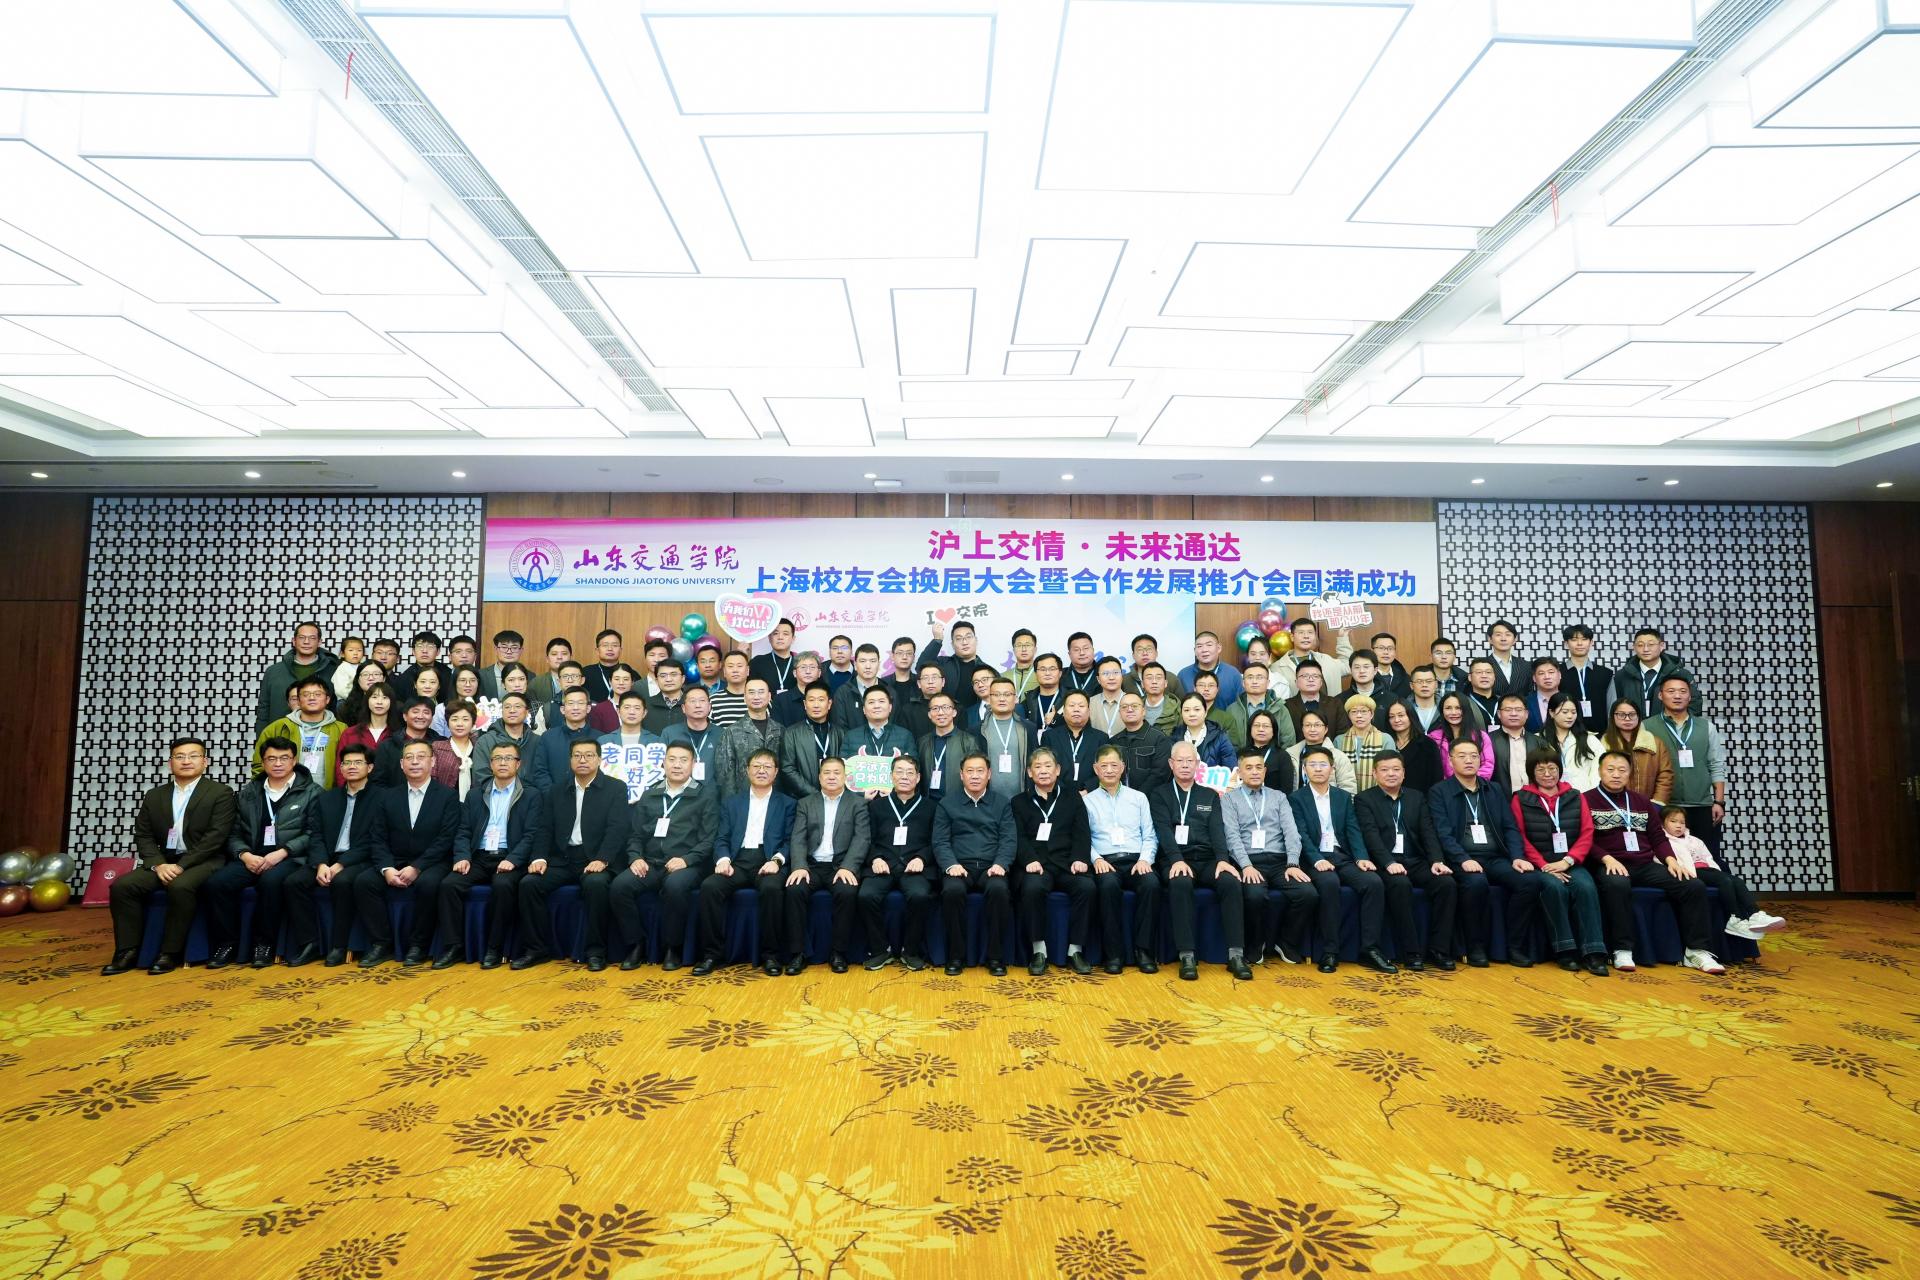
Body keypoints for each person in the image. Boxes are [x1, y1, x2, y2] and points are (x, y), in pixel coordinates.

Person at [103, 737, 238, 975]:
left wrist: (182, 865)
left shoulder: (220, 793)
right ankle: (127, 951)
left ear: (205, 762)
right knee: (123, 887)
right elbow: (143, 835)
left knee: (180, 885)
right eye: (180, 756)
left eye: (193, 756)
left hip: (205, 860)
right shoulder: (155, 795)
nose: (186, 761)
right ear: (170, 763)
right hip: (165, 861)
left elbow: (215, 837)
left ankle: (170, 952)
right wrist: (158, 864)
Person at [1587, 750, 1723, 974]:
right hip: (1609, 863)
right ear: (1600, 771)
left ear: (1630, 773)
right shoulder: (1586, 800)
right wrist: (1606, 858)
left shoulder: (1641, 801)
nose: (1616, 774)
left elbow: (1657, 837)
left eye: (1622, 770)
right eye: (1610, 769)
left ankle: (1696, 951)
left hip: (1644, 864)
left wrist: (1671, 861)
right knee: (1617, 885)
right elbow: (1584, 839)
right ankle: (1622, 949)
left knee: (1692, 885)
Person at [202, 736, 317, 970]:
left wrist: (283, 852)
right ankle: (226, 944)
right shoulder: (249, 792)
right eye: (271, 759)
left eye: (284, 758)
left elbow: (313, 833)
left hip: (290, 858)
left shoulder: (311, 792)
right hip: (252, 856)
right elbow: (233, 833)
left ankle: (263, 944)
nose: (278, 763)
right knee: (216, 884)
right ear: (263, 762)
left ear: (294, 760)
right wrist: (244, 855)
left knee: (270, 882)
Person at [433, 739, 547, 970]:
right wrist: (462, 856)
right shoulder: (475, 795)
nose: (503, 763)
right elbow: (463, 831)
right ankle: (454, 946)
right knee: (449, 884)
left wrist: (513, 860)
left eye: (508, 758)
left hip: (510, 856)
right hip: (479, 856)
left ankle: (494, 948)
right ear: (490, 764)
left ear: (518, 764)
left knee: (503, 885)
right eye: (498, 759)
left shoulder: (531, 795)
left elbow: (531, 834)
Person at [606, 742, 718, 971]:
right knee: (619, 886)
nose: (677, 765)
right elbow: (635, 835)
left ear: (693, 764)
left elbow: (709, 840)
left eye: (683, 760)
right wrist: (635, 857)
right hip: (650, 862)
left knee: (675, 886)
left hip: (688, 864)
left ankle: (672, 948)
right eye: (672, 759)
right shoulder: (650, 794)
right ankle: (636, 944)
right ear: (663, 763)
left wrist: (687, 860)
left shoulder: (705, 795)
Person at [516, 739, 627, 971]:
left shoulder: (615, 788)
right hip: (563, 859)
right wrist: (539, 858)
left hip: (595, 859)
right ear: (570, 760)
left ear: (599, 759)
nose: (582, 760)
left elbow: (617, 828)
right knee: (529, 884)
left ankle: (596, 951)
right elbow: (544, 828)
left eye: (589, 755)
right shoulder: (556, 790)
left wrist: (602, 859)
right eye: (577, 755)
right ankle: (536, 949)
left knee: (596, 884)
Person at [1430, 738, 1539, 968]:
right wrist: (1463, 859)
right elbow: (1443, 833)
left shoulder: (1494, 789)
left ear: (1481, 759)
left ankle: (1514, 946)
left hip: (1495, 857)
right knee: (1476, 883)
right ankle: (1475, 946)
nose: (1469, 760)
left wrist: (1517, 857)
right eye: (1462, 756)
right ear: (1450, 760)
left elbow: (1510, 827)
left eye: (1474, 756)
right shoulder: (1439, 791)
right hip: (1462, 858)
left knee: (1529, 881)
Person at [1288, 745, 1395, 973]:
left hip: (1341, 856)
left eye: (1323, 764)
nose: (1318, 769)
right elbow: (1300, 834)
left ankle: (1370, 949)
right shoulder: (1296, 799)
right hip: (1314, 858)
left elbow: (1353, 829)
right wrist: (1316, 859)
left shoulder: (1343, 797)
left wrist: (1361, 857)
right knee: (1329, 883)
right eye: (1312, 765)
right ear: (1305, 770)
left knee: (1373, 882)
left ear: (1332, 768)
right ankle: (1330, 951)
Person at [1151, 741, 1252, 980]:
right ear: (1171, 764)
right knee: (1180, 882)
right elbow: (1163, 831)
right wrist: (1176, 859)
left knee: (1230, 881)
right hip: (1175, 858)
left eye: (1190, 761)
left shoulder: (1209, 795)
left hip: (1207, 859)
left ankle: (1236, 955)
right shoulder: (1159, 794)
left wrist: (1223, 859)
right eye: (1180, 761)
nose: (1185, 765)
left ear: (1197, 764)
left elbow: (1217, 830)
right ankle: (1187, 955)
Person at [356, 739, 459, 967]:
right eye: (409, 758)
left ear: (433, 762)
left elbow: (446, 838)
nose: (415, 762)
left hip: (432, 861)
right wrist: (386, 868)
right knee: (364, 882)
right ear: (401, 764)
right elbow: (378, 837)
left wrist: (417, 867)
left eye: (421, 757)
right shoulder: (387, 797)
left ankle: (418, 945)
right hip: (395, 859)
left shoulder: (448, 796)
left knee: (428, 884)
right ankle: (381, 944)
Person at [1512, 748, 1609, 977]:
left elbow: (1587, 832)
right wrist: (1544, 865)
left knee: (1586, 887)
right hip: (1540, 864)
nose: (1547, 774)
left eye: (1552, 768)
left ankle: (1594, 952)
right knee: (1553, 888)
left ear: (1560, 770)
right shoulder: (1520, 798)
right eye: (1541, 769)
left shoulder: (1575, 796)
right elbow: (1519, 836)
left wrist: (1567, 861)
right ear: (1532, 772)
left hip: (1571, 862)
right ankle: (1565, 950)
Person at [694, 749, 792, 976]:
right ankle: (712, 955)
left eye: (767, 767)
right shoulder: (732, 803)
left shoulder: (787, 803)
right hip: (737, 861)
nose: (761, 771)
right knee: (710, 887)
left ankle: (771, 956)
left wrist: (777, 861)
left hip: (768, 860)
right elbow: (722, 837)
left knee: (772, 888)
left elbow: (790, 840)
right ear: (747, 770)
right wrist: (723, 859)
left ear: (776, 772)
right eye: (756, 766)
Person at [1354, 750, 1453, 970]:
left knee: (1446, 883)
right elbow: (1370, 837)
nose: (1391, 774)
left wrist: (1437, 860)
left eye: (1396, 769)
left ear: (1404, 773)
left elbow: (1428, 831)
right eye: (1385, 770)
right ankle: (1411, 952)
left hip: (1415, 859)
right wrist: (1389, 863)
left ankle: (1439, 949)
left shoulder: (1416, 797)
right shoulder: (1364, 799)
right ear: (1374, 773)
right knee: (1400, 884)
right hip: (1383, 863)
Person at [288, 742, 380, 967]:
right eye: (347, 763)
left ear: (370, 767)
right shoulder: (326, 798)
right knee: (294, 882)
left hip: (361, 859)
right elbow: (316, 834)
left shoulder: (382, 798)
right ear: (340, 768)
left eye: (358, 762)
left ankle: (339, 945)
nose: (351, 767)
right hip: (327, 859)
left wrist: (341, 864)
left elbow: (375, 839)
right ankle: (309, 944)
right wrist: (321, 863)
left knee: (342, 881)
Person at [778, 756, 869, 974]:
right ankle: (798, 953)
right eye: (826, 772)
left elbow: (862, 838)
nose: (831, 777)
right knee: (794, 889)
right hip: (812, 865)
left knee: (847, 891)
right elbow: (798, 838)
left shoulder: (858, 803)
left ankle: (838, 952)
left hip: (840, 865)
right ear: (819, 777)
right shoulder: (806, 803)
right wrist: (799, 866)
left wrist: (848, 867)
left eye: (837, 772)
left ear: (845, 776)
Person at [1011, 748, 1095, 975]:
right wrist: (1029, 860)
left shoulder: (1073, 798)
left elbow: (1082, 833)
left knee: (1086, 887)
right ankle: (1039, 950)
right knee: (1031, 888)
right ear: (1029, 772)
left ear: (1057, 770)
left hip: (1066, 863)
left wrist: (1079, 858)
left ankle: (1075, 950)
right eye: (1037, 767)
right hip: (1037, 864)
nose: (1043, 771)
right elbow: (1018, 837)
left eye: (1048, 766)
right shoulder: (1019, 802)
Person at [1220, 746, 1304, 965]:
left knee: (1308, 894)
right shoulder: (1229, 799)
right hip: (1249, 861)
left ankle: (1285, 942)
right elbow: (1231, 836)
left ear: (1265, 771)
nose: (1255, 772)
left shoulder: (1279, 797)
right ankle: (1256, 944)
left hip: (1280, 861)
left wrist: (1293, 863)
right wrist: (1246, 866)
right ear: (1239, 772)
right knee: (1255, 896)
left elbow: (1292, 832)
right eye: (1248, 768)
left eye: (1259, 767)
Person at [933, 753, 1016, 975]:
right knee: (952, 891)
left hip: (992, 866)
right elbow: (940, 841)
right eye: (970, 771)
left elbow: (1008, 839)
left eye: (980, 771)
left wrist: (1001, 864)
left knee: (999, 890)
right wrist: (951, 865)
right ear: (961, 775)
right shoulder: (947, 803)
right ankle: (956, 956)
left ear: (989, 774)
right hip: (960, 866)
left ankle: (995, 957)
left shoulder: (1002, 803)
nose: (975, 776)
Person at [1082, 744, 1161, 974]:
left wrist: (1145, 860)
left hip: (1136, 859)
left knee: (1152, 884)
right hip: (1105, 861)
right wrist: (1096, 859)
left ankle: (1143, 951)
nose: (1109, 770)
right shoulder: (1087, 801)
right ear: (1096, 769)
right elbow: (1082, 839)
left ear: (1122, 767)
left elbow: (1150, 835)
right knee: (1107, 886)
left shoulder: (1139, 798)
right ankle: (1113, 954)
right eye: (1104, 766)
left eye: (1114, 765)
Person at [861, 755, 939, 971]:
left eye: (910, 772)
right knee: (866, 895)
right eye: (900, 772)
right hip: (883, 864)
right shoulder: (876, 807)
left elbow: (937, 841)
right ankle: (880, 950)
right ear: (891, 776)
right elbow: (866, 839)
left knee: (920, 896)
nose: (905, 777)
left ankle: (910, 951)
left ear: (918, 777)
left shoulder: (931, 807)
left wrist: (922, 858)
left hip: (915, 867)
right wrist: (875, 858)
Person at [1661, 807, 1784, 943]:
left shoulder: (1695, 840)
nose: (1679, 825)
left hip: (1707, 869)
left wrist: (1716, 871)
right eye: (1673, 821)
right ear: (1662, 824)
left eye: (1682, 822)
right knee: (1724, 881)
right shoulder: (1664, 842)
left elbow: (1708, 858)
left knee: (1736, 880)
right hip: (1692, 872)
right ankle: (1734, 919)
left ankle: (1755, 914)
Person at [1648, 674, 1729, 864]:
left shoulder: (1706, 727)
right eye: (1671, 691)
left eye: (1682, 691)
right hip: (1664, 806)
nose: (1677, 696)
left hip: (1701, 805)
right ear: (1660, 695)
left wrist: (1719, 802)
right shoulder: (1647, 726)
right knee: (1668, 861)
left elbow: (1716, 765)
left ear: (1690, 696)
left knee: (1707, 859)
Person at [256, 675, 344, 787]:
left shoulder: (341, 729)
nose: (312, 698)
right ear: (298, 700)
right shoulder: (277, 728)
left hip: (328, 793)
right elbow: (259, 765)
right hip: (286, 794)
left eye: (317, 694)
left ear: (327, 699)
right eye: (306, 694)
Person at [256, 621, 339, 732]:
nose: (306, 642)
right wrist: (262, 737)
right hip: (280, 736)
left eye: (312, 638)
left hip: (322, 736)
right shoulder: (273, 671)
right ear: (294, 641)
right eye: (301, 637)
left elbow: (340, 707)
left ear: (319, 642)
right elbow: (263, 709)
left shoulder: (334, 671)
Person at [713, 676, 784, 796]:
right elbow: (724, 774)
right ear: (745, 698)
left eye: (761, 692)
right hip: (743, 799)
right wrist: (731, 803)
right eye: (751, 692)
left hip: (776, 798)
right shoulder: (732, 732)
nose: (756, 697)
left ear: (769, 696)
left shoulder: (781, 730)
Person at [1611, 627, 1696, 719]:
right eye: (1640, 645)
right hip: (1633, 726)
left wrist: (1678, 724)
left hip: (1669, 726)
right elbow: (1615, 706)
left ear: (1661, 646)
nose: (1645, 649)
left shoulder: (1679, 674)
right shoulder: (1622, 675)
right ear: (1634, 647)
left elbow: (1694, 703)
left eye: (1651, 644)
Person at [1601, 699, 1674, 804]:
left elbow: (1665, 776)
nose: (1627, 719)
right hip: (1613, 805)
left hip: (1649, 805)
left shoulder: (1655, 743)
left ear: (1638, 717)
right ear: (1613, 717)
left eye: (1632, 714)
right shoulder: (1603, 744)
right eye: (1621, 715)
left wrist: (1657, 804)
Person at [915, 693, 983, 801]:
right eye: (935, 708)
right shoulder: (923, 742)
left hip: (958, 802)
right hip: (928, 802)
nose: (940, 712)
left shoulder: (968, 741)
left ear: (954, 712)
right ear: (929, 714)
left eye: (945, 707)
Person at [531, 688, 600, 794]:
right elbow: (540, 771)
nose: (575, 708)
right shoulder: (548, 737)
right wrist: (552, 795)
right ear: (562, 709)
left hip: (593, 799)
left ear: (588, 708)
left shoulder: (600, 738)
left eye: (580, 703)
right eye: (571, 703)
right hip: (555, 798)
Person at [779, 684, 841, 799]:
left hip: (837, 798)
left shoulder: (840, 733)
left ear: (829, 704)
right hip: (804, 799)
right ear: (805, 704)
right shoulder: (791, 733)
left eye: (821, 700)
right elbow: (788, 768)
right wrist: (814, 794)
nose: (816, 705)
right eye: (811, 700)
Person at [918, 619, 994, 712]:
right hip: (945, 716)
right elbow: (921, 667)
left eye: (968, 637)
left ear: (976, 640)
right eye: (958, 639)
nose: (964, 642)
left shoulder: (988, 671)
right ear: (952, 644)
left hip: (976, 718)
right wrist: (937, 640)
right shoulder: (943, 663)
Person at [1041, 690, 1109, 792]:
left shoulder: (1101, 738)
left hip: (1091, 795)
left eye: (1081, 706)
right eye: (1071, 705)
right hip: (1057, 794)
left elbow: (1106, 769)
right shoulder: (1049, 737)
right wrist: (1062, 792)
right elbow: (1045, 767)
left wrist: (1088, 790)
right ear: (1064, 711)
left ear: (1089, 711)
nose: (1076, 709)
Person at [979, 678, 1037, 799]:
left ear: (1015, 698)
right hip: (987, 800)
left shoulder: (1028, 728)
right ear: (989, 698)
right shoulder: (978, 730)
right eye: (996, 694)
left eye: (1007, 694)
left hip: (1022, 799)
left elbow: (1034, 763)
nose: (1002, 699)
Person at [477, 692, 544, 791]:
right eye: (507, 707)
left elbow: (542, 775)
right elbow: (481, 776)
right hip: (496, 795)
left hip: (532, 797)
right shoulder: (486, 741)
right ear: (502, 712)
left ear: (527, 713)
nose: (512, 710)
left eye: (517, 706)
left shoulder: (538, 741)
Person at [1213, 660, 1288, 749]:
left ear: (1268, 683)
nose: (1254, 681)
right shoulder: (1232, 710)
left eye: (1259, 677)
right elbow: (1228, 744)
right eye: (1250, 677)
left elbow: (1288, 742)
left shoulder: (1279, 708)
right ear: (1243, 683)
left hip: (1273, 757)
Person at [1538, 692, 1604, 792]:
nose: (1570, 716)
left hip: (1584, 795)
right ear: (1551, 713)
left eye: (1573, 712)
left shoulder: (1589, 739)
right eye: (1565, 712)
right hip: (1549, 796)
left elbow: (1599, 769)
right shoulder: (1538, 739)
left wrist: (1591, 794)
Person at [1109, 693, 1173, 795]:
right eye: (1124, 707)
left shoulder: (1159, 739)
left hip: (1150, 799)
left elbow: (1160, 774)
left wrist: (1138, 797)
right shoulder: (1114, 742)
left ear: (1143, 711)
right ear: (1120, 713)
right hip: (1118, 798)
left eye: (1134, 706)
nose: (1129, 709)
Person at [371, 696, 440, 789]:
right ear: (405, 716)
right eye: (415, 712)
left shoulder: (440, 744)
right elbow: (378, 781)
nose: (420, 716)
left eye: (426, 712)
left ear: (432, 718)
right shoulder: (387, 745)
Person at [1272, 618, 1349, 699]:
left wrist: (1343, 638)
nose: (1306, 636)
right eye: (1301, 632)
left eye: (1310, 632)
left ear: (1315, 636)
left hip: (1330, 707)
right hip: (1297, 707)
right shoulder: (1277, 668)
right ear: (1292, 637)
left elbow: (1347, 666)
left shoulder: (1326, 660)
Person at [1558, 624, 1613, 733]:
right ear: (1566, 644)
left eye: (1584, 639)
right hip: (1566, 733)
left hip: (1600, 733)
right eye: (1574, 640)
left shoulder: (1605, 673)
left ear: (1591, 642)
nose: (1579, 643)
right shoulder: (1557, 672)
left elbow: (1612, 706)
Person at [1286, 711, 1357, 794]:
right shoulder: (1291, 754)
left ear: (1326, 729)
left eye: (1317, 725)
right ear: (1302, 728)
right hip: (1298, 801)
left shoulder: (1338, 756)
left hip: (1330, 801)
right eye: (1308, 725)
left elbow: (1348, 787)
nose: (1312, 729)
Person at [661, 686, 721, 784]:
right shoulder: (669, 733)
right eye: (692, 701)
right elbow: (662, 767)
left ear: (709, 707)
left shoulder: (721, 734)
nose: (698, 705)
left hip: (713, 792)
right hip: (679, 790)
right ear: (683, 708)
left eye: (702, 700)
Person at [1429, 692, 1494, 780]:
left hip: (1475, 785)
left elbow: (1487, 765)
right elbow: (1432, 769)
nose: (1453, 712)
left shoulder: (1481, 736)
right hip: (1444, 787)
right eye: (1448, 708)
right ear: (1442, 711)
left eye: (1458, 708)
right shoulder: (1433, 738)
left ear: (1466, 710)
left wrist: (1469, 783)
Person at [1384, 700, 1445, 792]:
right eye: (1391, 717)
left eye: (1401, 715)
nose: (1396, 720)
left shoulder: (1427, 744)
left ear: (1411, 716)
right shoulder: (1385, 742)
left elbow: (1436, 778)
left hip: (1419, 797)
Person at [1486, 695, 1539, 796]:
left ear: (1526, 714)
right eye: (1508, 710)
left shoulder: (1538, 742)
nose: (1513, 714)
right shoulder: (1488, 741)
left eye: (1518, 710)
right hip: (1500, 799)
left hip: (1534, 800)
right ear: (1499, 714)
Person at [848, 684, 916, 762]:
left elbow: (913, 766)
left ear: (890, 707)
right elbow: (843, 765)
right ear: (864, 709)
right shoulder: (850, 737)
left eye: (881, 701)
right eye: (871, 702)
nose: (877, 706)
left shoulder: (905, 736)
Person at [1334, 695, 1388, 793]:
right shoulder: (1339, 740)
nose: (1359, 715)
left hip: (1377, 795)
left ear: (1371, 714)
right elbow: (1335, 772)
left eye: (1363, 711)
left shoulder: (1385, 739)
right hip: (1346, 794)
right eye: (1354, 711)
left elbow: (1389, 771)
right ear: (1349, 716)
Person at [1284, 659, 1349, 740]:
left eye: (1315, 676)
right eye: (1305, 676)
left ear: (1321, 682)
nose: (1311, 679)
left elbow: (1343, 734)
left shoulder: (1335, 704)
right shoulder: (1287, 706)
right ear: (1296, 682)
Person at [431, 700, 482, 801]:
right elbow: (432, 780)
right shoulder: (437, 747)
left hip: (476, 804)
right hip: (444, 803)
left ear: (473, 723)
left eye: (465, 719)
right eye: (454, 719)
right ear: (447, 723)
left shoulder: (480, 747)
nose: (460, 724)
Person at [829, 643, 886, 730]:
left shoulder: (889, 691)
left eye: (872, 661)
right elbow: (839, 728)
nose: (868, 666)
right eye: (863, 661)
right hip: (851, 739)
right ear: (855, 665)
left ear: (879, 664)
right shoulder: (843, 692)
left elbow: (895, 728)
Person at [1179, 631, 1243, 706]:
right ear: (1195, 651)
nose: (1204, 650)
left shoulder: (1232, 674)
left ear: (1219, 648)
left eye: (1209, 645)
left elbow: (1241, 705)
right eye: (1199, 646)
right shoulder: (1183, 675)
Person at [1175, 692, 1236, 770]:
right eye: (1186, 710)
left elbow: (1231, 769)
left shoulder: (1220, 737)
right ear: (1181, 713)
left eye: (1197, 709)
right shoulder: (1175, 737)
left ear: (1205, 712)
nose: (1192, 714)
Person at [393, 630, 453, 702]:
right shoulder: (403, 679)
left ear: (438, 652)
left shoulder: (449, 674)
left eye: (430, 646)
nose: (424, 651)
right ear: (413, 651)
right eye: (420, 646)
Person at [771, 651, 827, 728]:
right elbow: (776, 730)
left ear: (819, 673)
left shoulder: (827, 698)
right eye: (803, 667)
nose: (808, 671)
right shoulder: (781, 700)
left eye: (812, 667)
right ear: (795, 673)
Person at [1245, 710, 1295, 792]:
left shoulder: (1282, 756)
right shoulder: (1241, 754)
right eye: (1256, 725)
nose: (1261, 729)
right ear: (1250, 729)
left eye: (1266, 726)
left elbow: (1287, 790)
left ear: (1273, 731)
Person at [748, 618, 802, 695]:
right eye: (775, 633)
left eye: (785, 634)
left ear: (793, 639)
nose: (780, 637)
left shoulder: (801, 664)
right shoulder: (757, 662)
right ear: (769, 638)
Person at [895, 661, 945, 742]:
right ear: (919, 683)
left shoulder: (955, 708)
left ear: (943, 682)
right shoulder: (908, 710)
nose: (930, 682)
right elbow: (903, 740)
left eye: (934, 677)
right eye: (925, 678)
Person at [586, 663, 641, 734]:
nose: (621, 683)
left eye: (626, 679)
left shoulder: (639, 707)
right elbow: (596, 735)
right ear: (610, 681)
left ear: (632, 682)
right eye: (617, 679)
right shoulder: (599, 709)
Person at [1482, 619, 1530, 700]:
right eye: (1498, 635)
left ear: (1515, 639)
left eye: (1508, 634)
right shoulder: (1482, 665)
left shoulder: (1526, 666)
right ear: (1490, 639)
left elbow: (1530, 693)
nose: (1503, 639)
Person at [336, 659, 388, 731]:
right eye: (365, 674)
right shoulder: (344, 708)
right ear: (358, 680)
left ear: (384, 678)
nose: (371, 678)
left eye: (376, 674)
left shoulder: (396, 706)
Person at [1134, 662, 1183, 736]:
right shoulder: (1134, 709)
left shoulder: (1177, 709)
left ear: (1165, 683)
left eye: (1158, 678)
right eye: (1149, 678)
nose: (1154, 682)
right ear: (1142, 684)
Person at [707, 651, 753, 729]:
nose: (735, 670)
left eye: (739, 666)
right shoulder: (713, 700)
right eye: (730, 666)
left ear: (747, 670)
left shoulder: (759, 699)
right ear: (724, 671)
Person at [1086, 656, 1129, 737]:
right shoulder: (1089, 703)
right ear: (1098, 679)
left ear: (1122, 676)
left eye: (1116, 672)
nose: (1111, 677)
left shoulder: (1133, 701)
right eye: (1105, 673)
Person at [1023, 652, 1067, 730]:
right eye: (1042, 669)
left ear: (1060, 673)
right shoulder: (1028, 700)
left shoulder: (1070, 697)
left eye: (1052, 669)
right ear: (1036, 674)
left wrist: (1057, 720)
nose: (1047, 673)